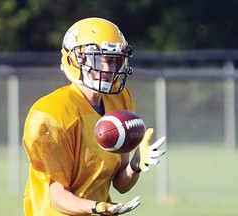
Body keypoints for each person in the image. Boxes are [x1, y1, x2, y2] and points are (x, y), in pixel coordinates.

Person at [22, 17, 166, 216]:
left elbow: (121, 185)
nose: (109, 69)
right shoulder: (51, 114)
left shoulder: (120, 99)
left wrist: (135, 166)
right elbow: (57, 197)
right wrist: (97, 207)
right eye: (101, 59)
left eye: (115, 61)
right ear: (76, 59)